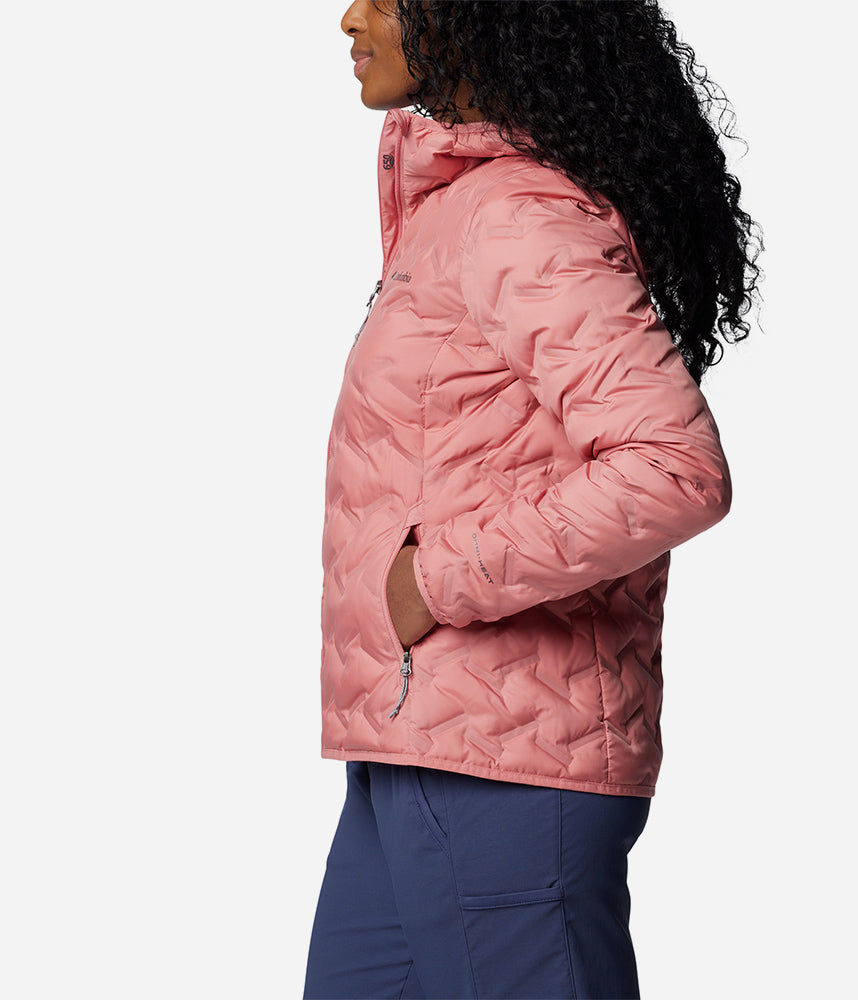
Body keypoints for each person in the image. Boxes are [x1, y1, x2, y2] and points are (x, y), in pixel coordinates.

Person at [304, 2, 763, 998]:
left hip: (509, 773)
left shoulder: (520, 217)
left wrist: (437, 577)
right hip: (417, 747)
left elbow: (672, 467)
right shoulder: (458, 209)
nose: (349, 17)